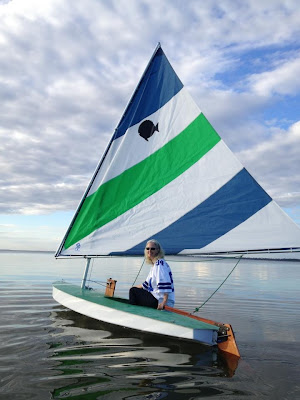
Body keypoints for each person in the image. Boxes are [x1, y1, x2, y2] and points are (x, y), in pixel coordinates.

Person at [129, 239, 175, 309]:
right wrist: (133, 287)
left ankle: (132, 312)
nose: (149, 251)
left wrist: (164, 302)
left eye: (152, 249)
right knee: (133, 290)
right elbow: (145, 285)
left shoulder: (160, 264)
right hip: (156, 298)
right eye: (147, 249)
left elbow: (166, 283)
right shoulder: (154, 265)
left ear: (158, 250)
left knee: (133, 292)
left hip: (160, 300)